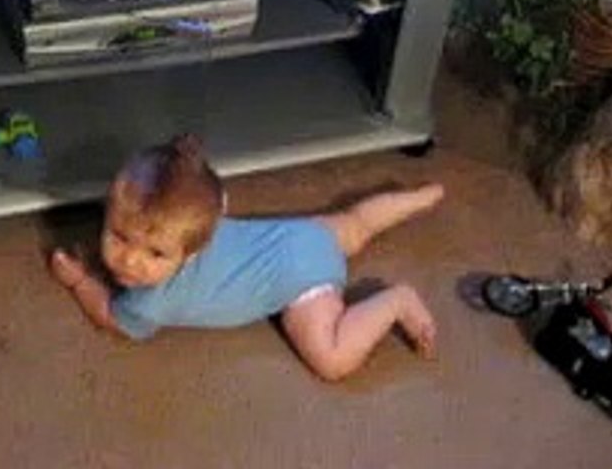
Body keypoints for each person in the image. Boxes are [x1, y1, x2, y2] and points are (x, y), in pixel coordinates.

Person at [50, 134, 443, 382]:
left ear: (192, 252)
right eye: (119, 236)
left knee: (332, 361)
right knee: (356, 224)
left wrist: (81, 282)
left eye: (155, 253)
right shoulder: (201, 222)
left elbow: (110, 319)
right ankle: (420, 198)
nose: (129, 262)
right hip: (301, 235)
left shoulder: (148, 303)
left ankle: (396, 302)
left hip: (304, 289)